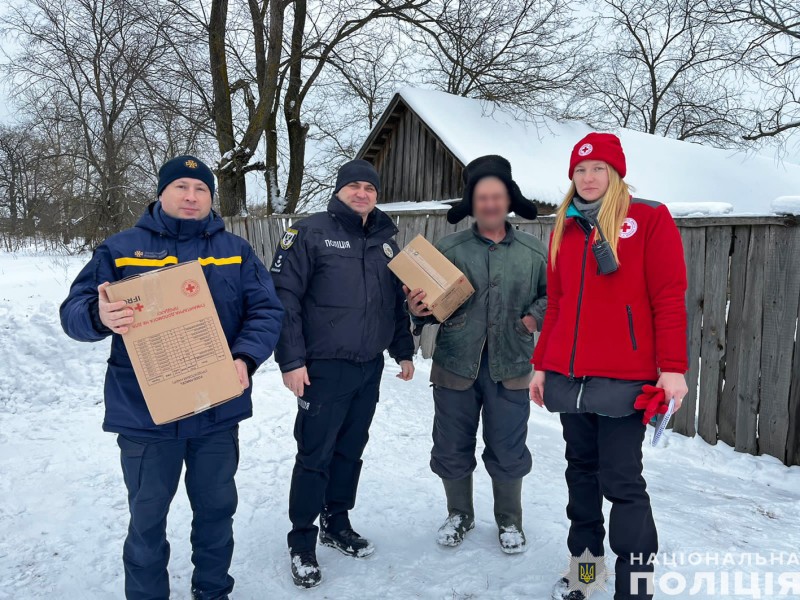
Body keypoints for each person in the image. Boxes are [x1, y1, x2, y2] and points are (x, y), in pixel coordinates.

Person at [60, 155, 284, 600]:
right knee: (146, 522)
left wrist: (245, 358)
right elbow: (73, 313)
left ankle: (213, 591)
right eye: (181, 186)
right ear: (161, 192)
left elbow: (267, 310)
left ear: (211, 198)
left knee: (217, 512)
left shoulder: (235, 251)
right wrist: (98, 314)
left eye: (201, 189)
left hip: (217, 410)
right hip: (146, 418)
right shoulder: (120, 247)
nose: (191, 196)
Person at [528, 133, 688, 600]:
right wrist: (541, 365)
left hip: (625, 380)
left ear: (616, 173)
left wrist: (673, 367)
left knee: (621, 481)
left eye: (598, 168)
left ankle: (635, 586)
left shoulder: (649, 218)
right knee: (580, 475)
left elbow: (668, 297)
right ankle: (585, 570)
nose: (588, 177)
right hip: (570, 380)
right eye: (580, 170)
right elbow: (555, 304)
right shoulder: (564, 226)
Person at [270, 158, 415, 588]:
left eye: (369, 188)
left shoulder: (387, 241)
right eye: (353, 186)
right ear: (339, 191)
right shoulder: (310, 232)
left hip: (366, 367)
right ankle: (301, 542)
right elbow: (284, 299)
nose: (362, 194)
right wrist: (292, 361)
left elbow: (394, 304)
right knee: (314, 454)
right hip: (323, 369)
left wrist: (403, 352)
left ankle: (336, 522)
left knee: (351, 450)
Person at [406, 155, 547, 554]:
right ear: (473, 202)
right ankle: (459, 513)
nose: (490, 204)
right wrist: (417, 310)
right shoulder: (447, 249)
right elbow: (427, 306)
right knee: (451, 445)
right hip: (455, 364)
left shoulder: (534, 253)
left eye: (497, 196)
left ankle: (509, 520)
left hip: (512, 366)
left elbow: (554, 296)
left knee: (508, 447)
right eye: (482, 197)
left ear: (508, 200)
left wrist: (532, 320)